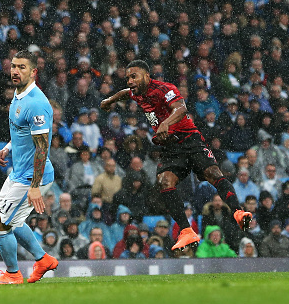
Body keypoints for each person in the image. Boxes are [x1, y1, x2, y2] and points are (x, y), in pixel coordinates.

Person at [100, 60, 252, 252]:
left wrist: (166, 123)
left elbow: (181, 109)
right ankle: (186, 230)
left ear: (147, 76)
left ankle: (238, 212)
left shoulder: (165, 89)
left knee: (213, 173)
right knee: (164, 181)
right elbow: (124, 93)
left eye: (134, 76)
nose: (130, 81)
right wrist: (110, 100)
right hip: (172, 147)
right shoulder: (136, 93)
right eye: (128, 77)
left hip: (190, 139)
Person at [0, 50, 58, 285]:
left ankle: (13, 274)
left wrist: (35, 186)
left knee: (0, 223)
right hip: (19, 171)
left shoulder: (37, 104)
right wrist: (8, 147)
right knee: (12, 222)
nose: (15, 71)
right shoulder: (18, 96)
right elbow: (22, 132)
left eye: (22, 67)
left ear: (34, 71)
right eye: (13, 66)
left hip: (31, 176)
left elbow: (42, 148)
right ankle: (43, 260)